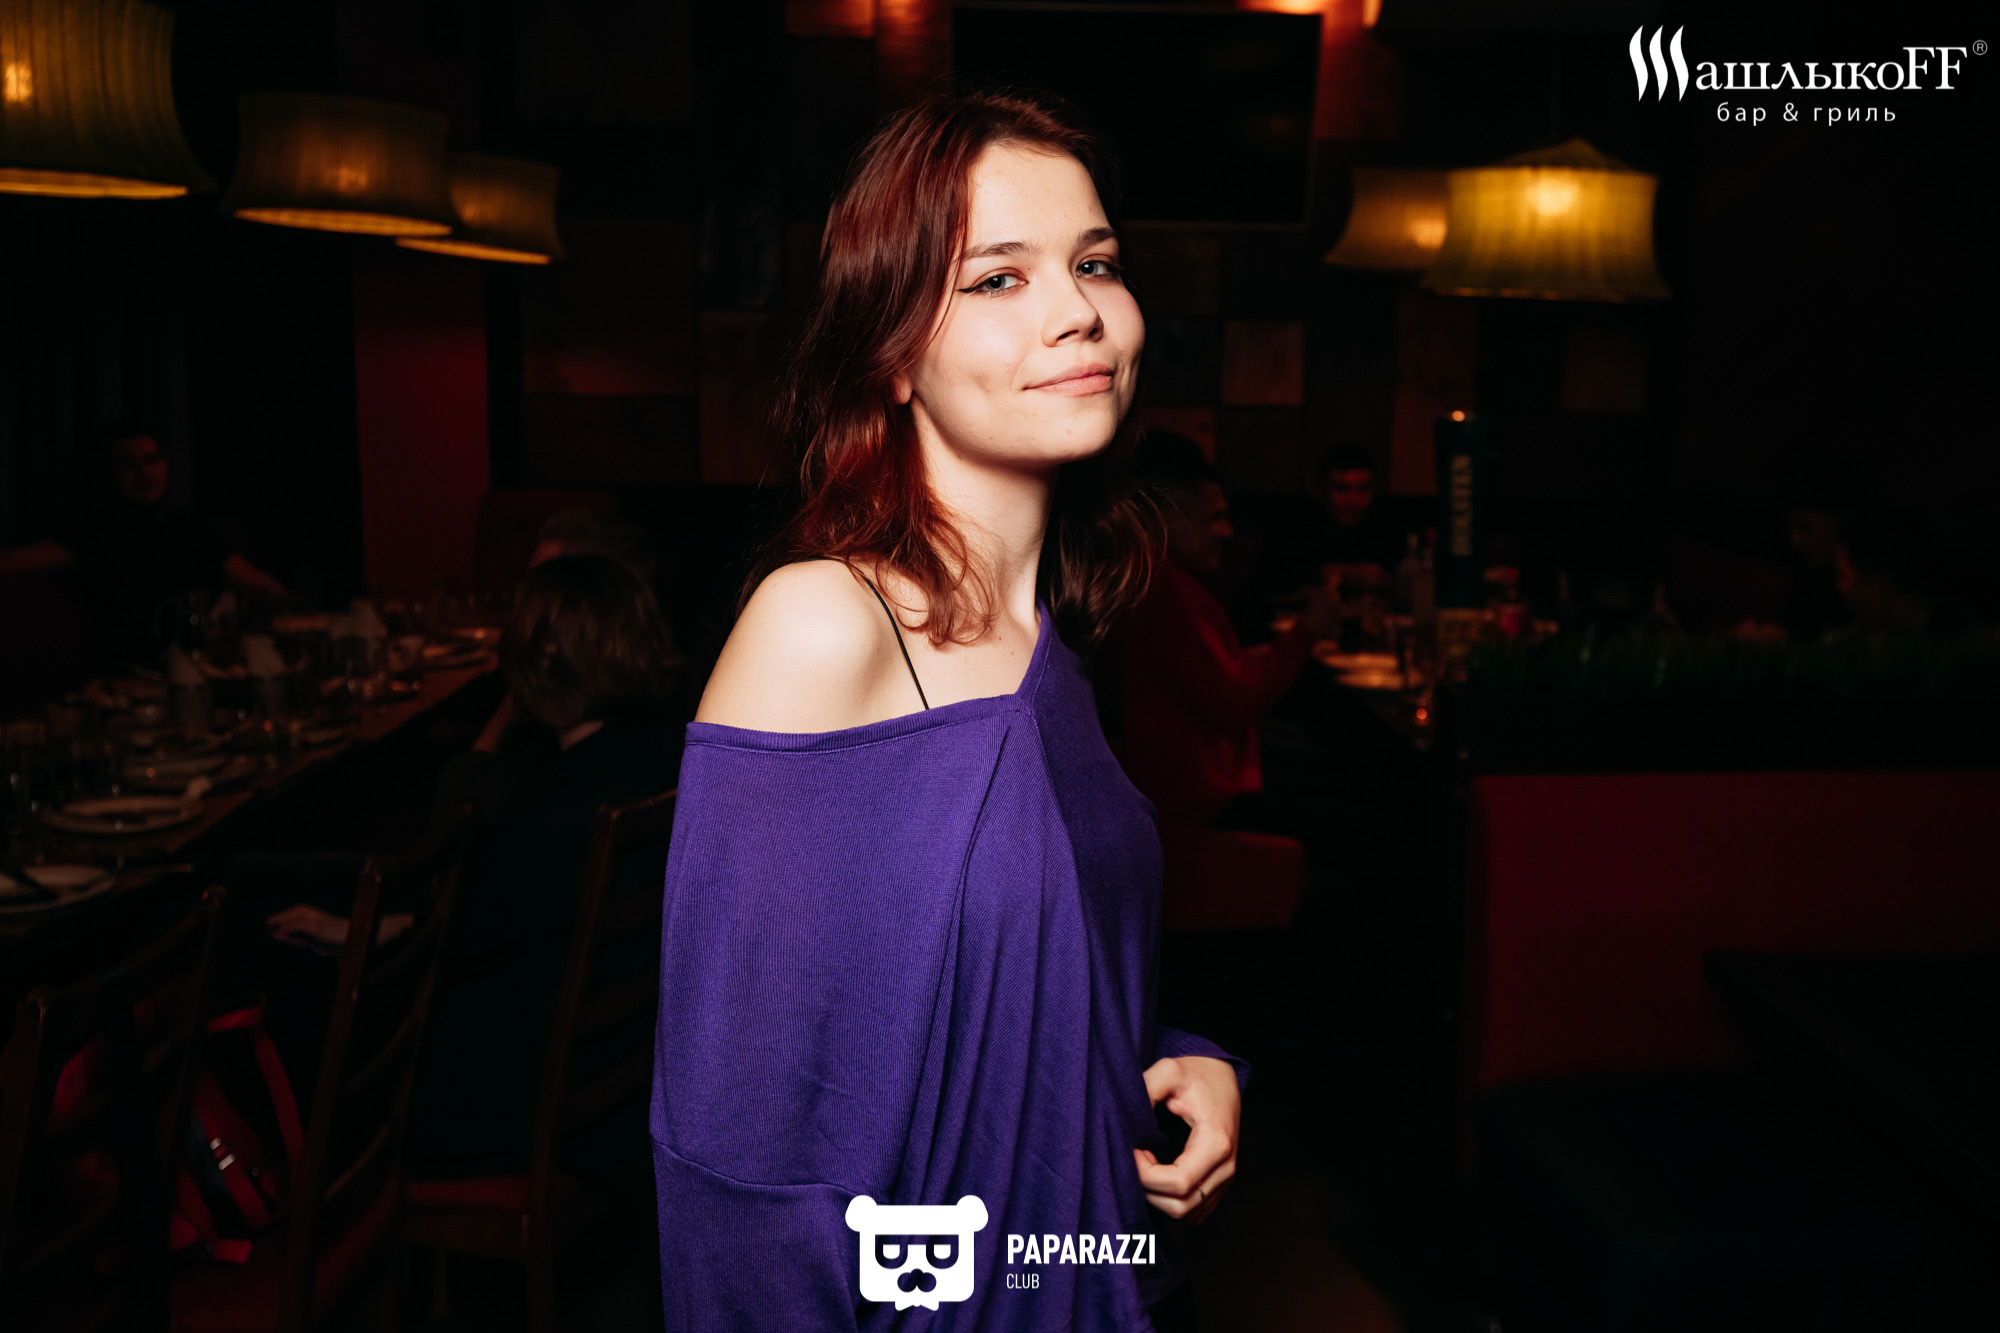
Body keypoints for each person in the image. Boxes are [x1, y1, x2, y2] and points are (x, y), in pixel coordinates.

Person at [653, 90, 1245, 1330]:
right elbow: (735, 1169)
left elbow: (1025, 986)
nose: (1077, 310)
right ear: (889, 355)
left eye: (1094, 263)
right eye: (996, 279)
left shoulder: (1055, 638)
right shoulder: (825, 624)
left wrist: (1189, 1062)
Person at [250, 554, 681, 1176]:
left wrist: (361, 932)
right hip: (617, 1075)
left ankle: (296, 1206)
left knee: (300, 996)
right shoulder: (660, 763)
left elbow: (452, 920)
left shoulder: (544, 819)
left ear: (535, 662)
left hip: (528, 1096)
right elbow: (504, 912)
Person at [1107, 432, 1339, 826]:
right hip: (1198, 793)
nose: (1228, 532)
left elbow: (1206, 679)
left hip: (1177, 776)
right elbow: (1235, 703)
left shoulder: (1144, 576)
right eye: (1214, 518)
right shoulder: (1162, 588)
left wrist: (1250, 656)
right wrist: (1307, 631)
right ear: (1166, 517)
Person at [0, 424, 289, 668]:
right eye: (128, 465)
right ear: (109, 473)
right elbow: (18, 561)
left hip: (207, 667)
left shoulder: (189, 529)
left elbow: (260, 584)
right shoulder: (96, 531)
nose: (144, 473)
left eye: (151, 460)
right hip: (134, 673)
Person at [1309, 442, 1405, 590]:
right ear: (1322, 490)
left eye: (1363, 489)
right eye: (1341, 488)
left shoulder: (1388, 528)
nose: (1353, 500)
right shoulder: (1303, 530)